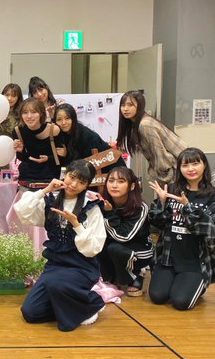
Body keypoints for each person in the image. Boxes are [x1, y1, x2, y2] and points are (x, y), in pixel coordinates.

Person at [15, 160, 107, 331]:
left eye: (81, 182)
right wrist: (46, 190)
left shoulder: (90, 207)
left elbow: (94, 248)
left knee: (55, 282)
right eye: (72, 177)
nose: (74, 184)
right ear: (65, 174)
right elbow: (22, 211)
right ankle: (74, 307)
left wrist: (76, 224)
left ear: (87, 185)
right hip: (55, 264)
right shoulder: (51, 200)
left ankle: (91, 303)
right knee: (30, 312)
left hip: (81, 266)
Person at [147, 147, 215, 310]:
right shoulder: (171, 190)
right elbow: (156, 223)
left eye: (195, 164)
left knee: (180, 302)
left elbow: (209, 231)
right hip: (169, 257)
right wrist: (162, 202)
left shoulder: (212, 195)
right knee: (158, 296)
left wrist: (187, 206)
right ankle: (179, 282)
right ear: (179, 168)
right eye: (185, 165)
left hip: (195, 261)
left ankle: (198, 283)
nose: (190, 169)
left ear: (204, 165)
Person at [96, 167, 153, 296]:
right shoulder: (102, 203)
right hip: (115, 247)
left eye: (121, 181)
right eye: (111, 181)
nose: (114, 185)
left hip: (139, 250)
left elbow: (124, 237)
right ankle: (111, 276)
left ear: (132, 186)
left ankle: (136, 275)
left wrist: (109, 213)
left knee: (115, 248)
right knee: (99, 244)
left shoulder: (140, 207)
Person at [117, 90, 186, 184]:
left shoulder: (145, 124)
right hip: (178, 166)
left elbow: (159, 153)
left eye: (130, 105)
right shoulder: (138, 124)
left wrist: (163, 176)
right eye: (123, 105)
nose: (125, 109)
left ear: (140, 106)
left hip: (178, 168)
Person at [54, 103, 126, 171]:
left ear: (73, 119)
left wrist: (66, 154)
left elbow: (85, 162)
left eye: (67, 118)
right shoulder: (59, 135)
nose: (63, 122)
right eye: (59, 119)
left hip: (111, 169)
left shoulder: (86, 135)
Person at [12, 98, 64, 187]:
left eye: (33, 112)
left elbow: (62, 157)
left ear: (41, 113)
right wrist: (21, 151)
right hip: (27, 175)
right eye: (25, 112)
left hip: (50, 175)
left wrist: (47, 159)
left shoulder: (54, 130)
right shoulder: (18, 131)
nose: (29, 116)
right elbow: (22, 157)